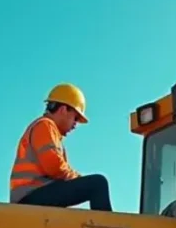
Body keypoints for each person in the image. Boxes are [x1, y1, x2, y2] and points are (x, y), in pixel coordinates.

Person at [8, 83, 112, 211]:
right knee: (97, 184)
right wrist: (79, 179)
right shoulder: (45, 126)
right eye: (75, 118)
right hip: (32, 196)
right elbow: (54, 167)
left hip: (30, 195)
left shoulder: (46, 129)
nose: (75, 124)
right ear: (63, 110)